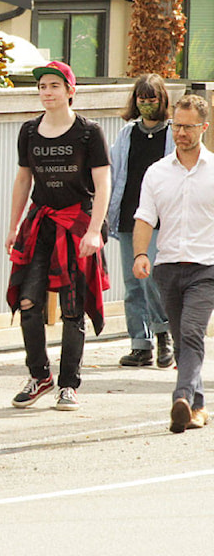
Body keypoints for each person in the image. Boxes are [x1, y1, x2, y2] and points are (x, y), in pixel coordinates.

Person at [7, 61, 110, 411]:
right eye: (42, 87)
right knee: (28, 303)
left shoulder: (88, 132)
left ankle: (69, 384)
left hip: (77, 223)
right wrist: (13, 226)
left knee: (72, 309)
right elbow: (24, 180)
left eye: (54, 86)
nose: (47, 92)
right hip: (41, 224)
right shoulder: (29, 131)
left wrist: (94, 230)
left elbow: (102, 182)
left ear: (70, 90)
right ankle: (40, 376)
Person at [133, 94, 214, 433]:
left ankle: (180, 397)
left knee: (193, 332)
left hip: (206, 268)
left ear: (204, 128)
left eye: (188, 126)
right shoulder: (157, 173)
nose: (180, 133)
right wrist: (140, 254)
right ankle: (196, 408)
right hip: (167, 267)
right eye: (176, 126)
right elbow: (144, 219)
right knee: (182, 341)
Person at [108, 74, 173, 368]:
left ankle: (164, 335)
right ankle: (140, 343)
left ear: (162, 101)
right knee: (132, 283)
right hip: (127, 217)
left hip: (159, 220)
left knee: (153, 282)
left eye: (152, 99)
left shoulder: (172, 134)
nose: (147, 104)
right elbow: (113, 173)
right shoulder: (126, 134)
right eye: (141, 99)